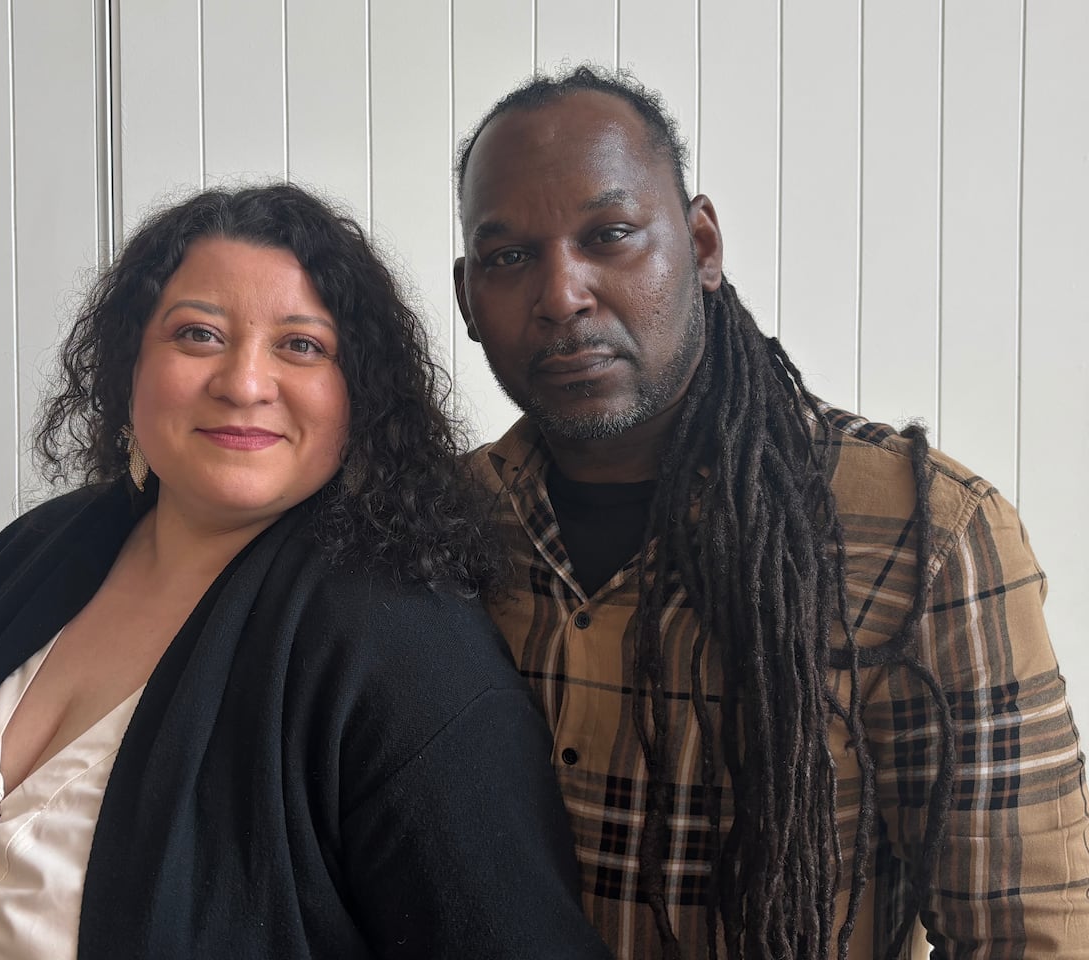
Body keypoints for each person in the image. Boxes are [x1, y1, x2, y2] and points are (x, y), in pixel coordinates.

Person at [0, 184, 614, 960]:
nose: (244, 383)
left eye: (301, 345)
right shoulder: (33, 554)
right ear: (128, 362)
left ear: (361, 396)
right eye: (198, 335)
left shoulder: (400, 646)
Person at [453, 65, 1089, 959]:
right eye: (510, 256)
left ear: (704, 246)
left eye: (612, 234)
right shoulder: (440, 526)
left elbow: (1028, 937)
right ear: (467, 299)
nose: (562, 294)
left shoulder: (925, 538)